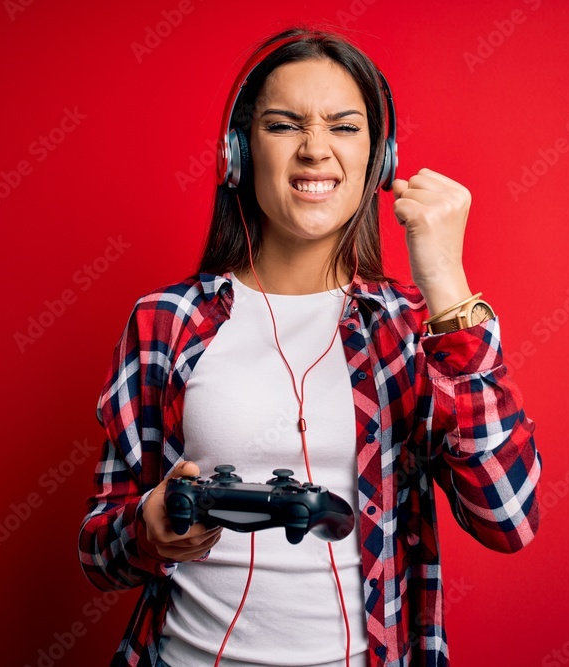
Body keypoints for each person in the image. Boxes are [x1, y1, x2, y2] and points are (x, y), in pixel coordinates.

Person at [78, 24, 541, 667]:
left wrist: (446, 283)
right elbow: (99, 550)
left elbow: (507, 517)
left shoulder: (415, 328)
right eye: (283, 125)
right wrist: (146, 529)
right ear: (238, 154)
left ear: (380, 161)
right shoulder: (166, 320)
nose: (315, 150)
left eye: (344, 127)